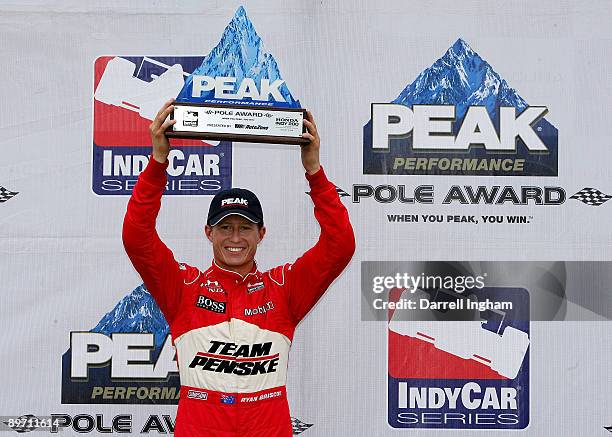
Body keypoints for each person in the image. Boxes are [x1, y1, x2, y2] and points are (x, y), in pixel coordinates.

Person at [122, 99, 355, 437]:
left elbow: (340, 245)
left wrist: (315, 172)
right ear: (208, 233)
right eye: (224, 227)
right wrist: (158, 162)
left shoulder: (283, 289)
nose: (235, 237)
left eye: (245, 227)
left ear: (261, 234)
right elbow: (137, 237)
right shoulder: (184, 288)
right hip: (201, 426)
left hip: (267, 426)